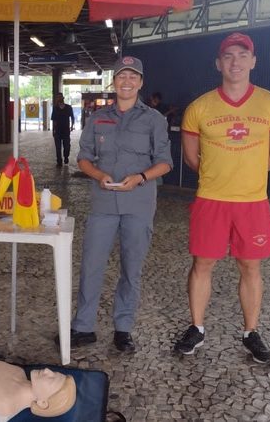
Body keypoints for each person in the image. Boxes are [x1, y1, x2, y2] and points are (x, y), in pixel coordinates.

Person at [173, 32, 270, 364]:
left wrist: (246, 176)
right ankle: (196, 327)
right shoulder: (199, 107)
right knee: (202, 263)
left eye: (242, 55)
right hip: (211, 199)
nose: (235, 62)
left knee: (250, 266)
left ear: (253, 61)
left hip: (253, 202)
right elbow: (193, 160)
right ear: (218, 63)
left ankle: (251, 332)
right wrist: (221, 177)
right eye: (228, 56)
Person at [63, 56, 173, 353]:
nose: (127, 81)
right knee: (91, 265)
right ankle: (83, 327)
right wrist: (98, 175)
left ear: (141, 82)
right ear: (114, 81)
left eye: (133, 77)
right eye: (122, 76)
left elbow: (165, 163)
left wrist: (140, 177)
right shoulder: (98, 118)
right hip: (103, 204)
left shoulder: (154, 119)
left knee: (131, 268)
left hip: (138, 203)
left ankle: (123, 329)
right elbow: (83, 157)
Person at [50, 92, 74, 166]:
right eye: (57, 97)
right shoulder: (55, 108)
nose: (59, 99)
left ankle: (66, 157)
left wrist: (72, 126)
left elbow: (72, 117)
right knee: (58, 147)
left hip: (66, 130)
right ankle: (59, 161)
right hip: (57, 130)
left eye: (60, 97)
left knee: (67, 146)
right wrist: (53, 130)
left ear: (63, 98)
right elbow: (54, 120)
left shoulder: (68, 107)